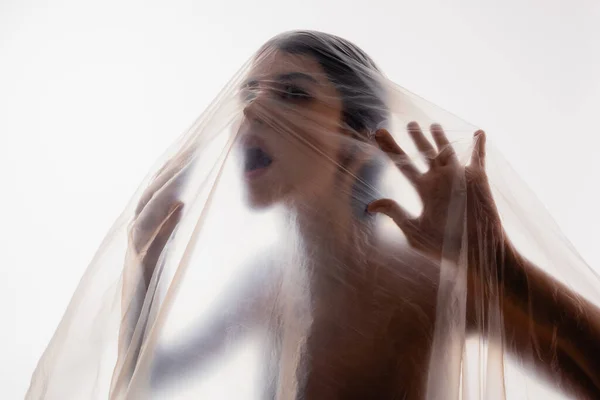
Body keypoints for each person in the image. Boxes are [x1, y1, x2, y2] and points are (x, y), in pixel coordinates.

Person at [116, 31, 600, 399]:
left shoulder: (427, 284)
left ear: (359, 141)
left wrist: (504, 270)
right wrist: (147, 264)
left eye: (293, 94)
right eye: (248, 94)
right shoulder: (265, 284)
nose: (253, 112)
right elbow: (148, 380)